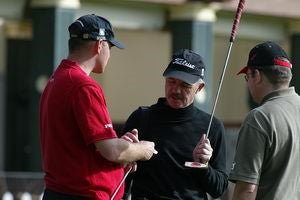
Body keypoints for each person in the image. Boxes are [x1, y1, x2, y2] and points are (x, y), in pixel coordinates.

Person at [39, 14, 157, 200]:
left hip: (59, 192)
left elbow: (85, 144)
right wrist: (142, 150)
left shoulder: (57, 79)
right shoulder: (83, 86)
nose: (109, 53)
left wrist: (124, 147)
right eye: (110, 47)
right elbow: (111, 151)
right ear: (100, 45)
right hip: (82, 195)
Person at [122, 49, 228, 199]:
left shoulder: (213, 127)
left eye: (185, 85)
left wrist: (204, 167)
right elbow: (118, 175)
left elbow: (219, 189)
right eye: (171, 81)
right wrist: (125, 157)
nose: (176, 90)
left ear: (199, 87)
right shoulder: (141, 118)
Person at [229, 41, 300, 200]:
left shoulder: (259, 118)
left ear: (257, 76)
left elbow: (247, 190)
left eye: (247, 76)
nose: (248, 82)